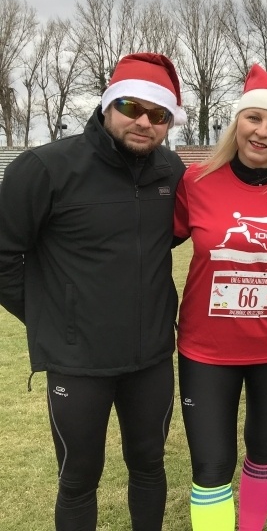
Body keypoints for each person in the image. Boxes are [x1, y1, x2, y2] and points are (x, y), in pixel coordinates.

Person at [0, 53, 187, 530]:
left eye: (158, 114)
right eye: (131, 106)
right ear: (107, 104)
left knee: (149, 466)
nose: (143, 122)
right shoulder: (45, 167)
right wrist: (54, 317)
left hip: (150, 358)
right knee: (79, 478)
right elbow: (3, 255)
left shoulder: (171, 170)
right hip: (78, 363)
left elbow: (166, 241)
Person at [173, 63, 267, 531]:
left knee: (264, 451)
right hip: (205, 350)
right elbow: (145, 245)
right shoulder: (196, 181)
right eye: (253, 118)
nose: (262, 131)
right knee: (211, 466)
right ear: (236, 122)